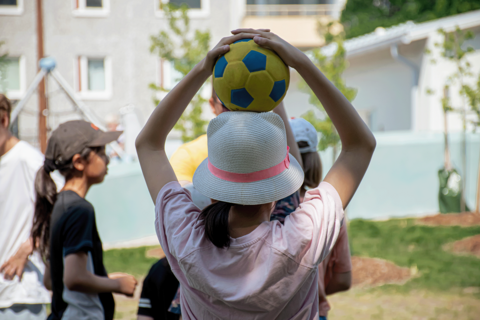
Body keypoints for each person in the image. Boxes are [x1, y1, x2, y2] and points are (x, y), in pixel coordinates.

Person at [135, 29, 375, 318]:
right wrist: (302, 63)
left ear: (212, 192)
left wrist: (202, 69)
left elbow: (148, 144)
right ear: (278, 195)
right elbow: (360, 145)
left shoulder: (187, 240)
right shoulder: (301, 239)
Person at [31, 120, 138, 320]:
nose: (107, 159)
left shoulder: (58, 205)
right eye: (101, 152)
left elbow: (51, 280)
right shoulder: (80, 210)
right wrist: (117, 285)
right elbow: (74, 278)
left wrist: (102, 279)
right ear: (79, 162)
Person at [275, 117, 352, 319]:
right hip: (314, 311)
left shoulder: (264, 210)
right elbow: (343, 279)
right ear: (314, 158)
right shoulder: (327, 211)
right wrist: (313, 286)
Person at [0, 94, 50, 319]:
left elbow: (63, 208)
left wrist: (28, 247)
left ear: (3, 120)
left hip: (20, 294)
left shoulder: (30, 160)